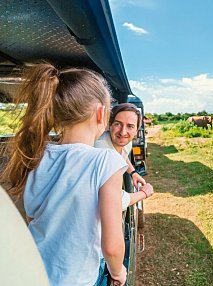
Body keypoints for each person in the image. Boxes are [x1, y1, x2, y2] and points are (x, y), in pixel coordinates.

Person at [1, 63, 127, 286]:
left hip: (32, 272)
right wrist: (118, 272)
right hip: (76, 279)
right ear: (101, 113)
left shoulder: (36, 156)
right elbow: (112, 246)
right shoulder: (106, 161)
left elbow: (32, 217)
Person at [95, 103, 154, 209]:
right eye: (118, 124)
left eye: (130, 126)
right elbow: (114, 202)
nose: (123, 132)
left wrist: (133, 173)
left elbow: (123, 155)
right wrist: (144, 193)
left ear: (136, 131)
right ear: (110, 125)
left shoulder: (125, 142)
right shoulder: (101, 152)